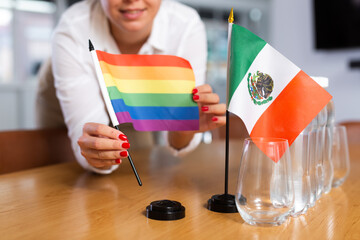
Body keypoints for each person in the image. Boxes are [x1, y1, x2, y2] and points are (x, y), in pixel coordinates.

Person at [36, 0, 226, 174]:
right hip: (63, 96)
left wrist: (184, 127)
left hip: (134, 99)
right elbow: (86, 134)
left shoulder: (186, 25)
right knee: (59, 166)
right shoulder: (73, 27)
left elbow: (179, 139)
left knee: (140, 158)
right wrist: (94, 152)